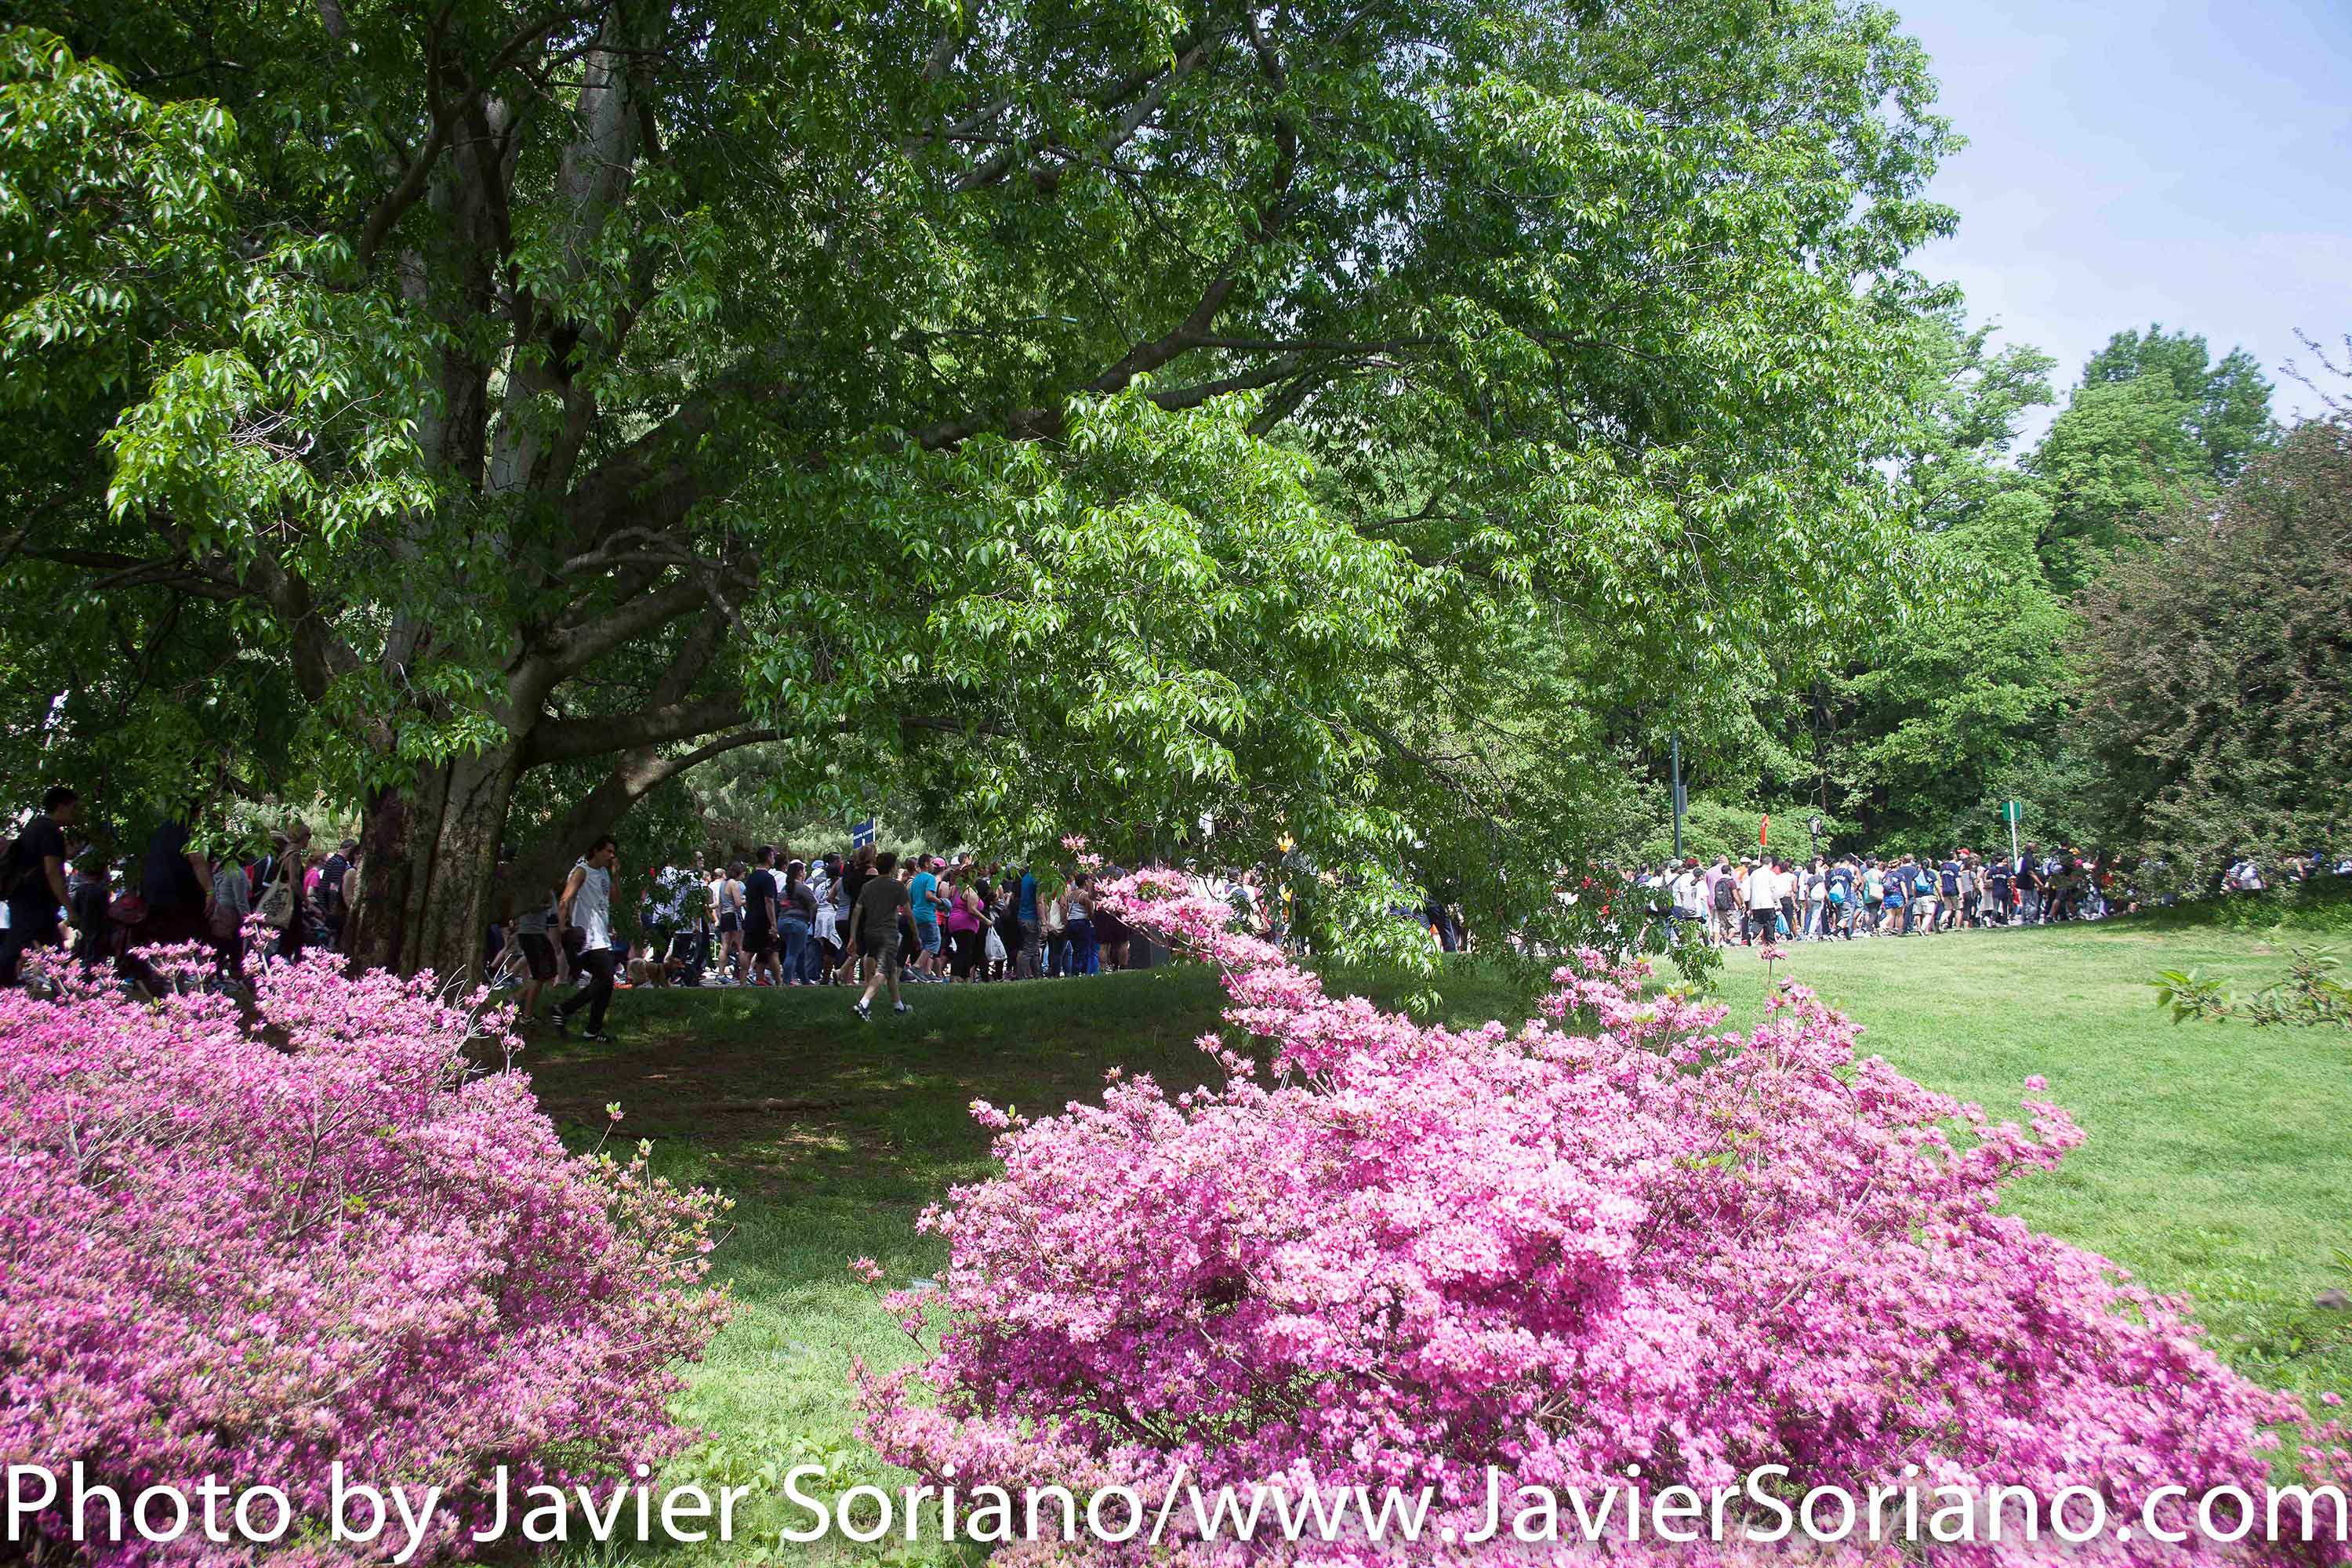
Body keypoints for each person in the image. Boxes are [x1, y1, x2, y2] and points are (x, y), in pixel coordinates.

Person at [4, 786, 80, 984]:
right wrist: (70, 908)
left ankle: (64, 992)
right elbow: (52, 872)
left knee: (52, 948)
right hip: (34, 902)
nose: (76, 813)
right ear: (60, 807)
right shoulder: (50, 831)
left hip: (28, 899)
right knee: (15, 948)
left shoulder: (35, 826)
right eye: (73, 807)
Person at [554, 835, 619, 1040]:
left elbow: (615, 900)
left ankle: (592, 1031)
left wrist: (615, 875)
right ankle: (563, 1010)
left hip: (602, 934)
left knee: (606, 983)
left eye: (613, 852)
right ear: (596, 851)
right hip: (586, 936)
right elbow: (564, 900)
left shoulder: (604, 873)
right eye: (608, 851)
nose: (612, 855)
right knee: (606, 978)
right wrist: (563, 930)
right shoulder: (582, 871)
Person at [851, 850, 912, 1019]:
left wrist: (852, 936)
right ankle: (863, 1004)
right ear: (893, 867)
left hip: (870, 932)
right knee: (882, 971)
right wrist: (916, 934)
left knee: (890, 969)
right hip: (888, 934)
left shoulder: (867, 886)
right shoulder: (898, 886)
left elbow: (857, 911)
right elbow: (908, 912)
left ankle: (899, 1007)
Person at [742, 847, 780, 986]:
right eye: (773, 856)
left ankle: (743, 981)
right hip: (764, 921)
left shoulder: (751, 877)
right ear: (769, 857)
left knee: (748, 951)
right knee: (773, 952)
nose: (774, 859)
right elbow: (769, 901)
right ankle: (779, 982)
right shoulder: (768, 878)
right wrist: (774, 924)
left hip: (751, 918)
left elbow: (747, 899)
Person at [908, 855, 946, 983]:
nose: (934, 865)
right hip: (927, 914)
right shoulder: (930, 878)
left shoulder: (915, 880)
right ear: (926, 864)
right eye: (932, 863)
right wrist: (941, 901)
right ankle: (917, 967)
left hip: (916, 914)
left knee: (925, 943)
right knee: (935, 941)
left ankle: (925, 972)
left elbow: (911, 899)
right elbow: (929, 895)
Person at [781, 858, 818, 985]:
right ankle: (786, 982)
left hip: (783, 922)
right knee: (792, 954)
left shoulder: (785, 888)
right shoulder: (803, 888)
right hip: (798, 923)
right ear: (801, 872)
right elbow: (814, 905)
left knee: (800, 952)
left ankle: (805, 980)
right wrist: (810, 920)